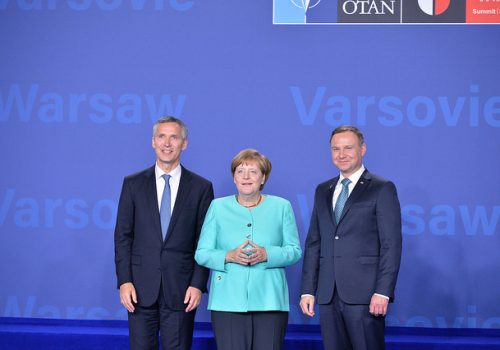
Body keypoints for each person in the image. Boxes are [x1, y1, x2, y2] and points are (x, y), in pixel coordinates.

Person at [114, 116, 214, 350]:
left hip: (181, 290)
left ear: (184, 143)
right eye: (162, 136)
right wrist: (124, 281)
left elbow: (205, 240)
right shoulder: (133, 184)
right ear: (153, 142)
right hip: (139, 289)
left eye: (174, 137)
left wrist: (198, 284)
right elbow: (123, 237)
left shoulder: (201, 187)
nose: (167, 143)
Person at [300, 125, 402, 350]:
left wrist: (383, 291)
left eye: (348, 148)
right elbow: (314, 242)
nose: (341, 154)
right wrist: (308, 289)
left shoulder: (381, 188)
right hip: (328, 295)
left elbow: (391, 245)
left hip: (365, 295)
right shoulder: (322, 190)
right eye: (336, 149)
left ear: (362, 149)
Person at [195, 149, 302, 350]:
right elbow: (202, 253)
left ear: (263, 178)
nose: (246, 176)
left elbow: (294, 250)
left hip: (270, 300)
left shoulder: (281, 207)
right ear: (234, 178)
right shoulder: (217, 207)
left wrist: (267, 254)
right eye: (240, 171)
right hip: (227, 302)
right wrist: (229, 256)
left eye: (253, 171)